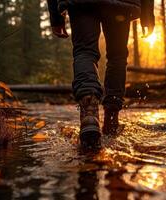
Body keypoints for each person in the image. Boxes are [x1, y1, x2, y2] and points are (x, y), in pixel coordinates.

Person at [47, 0, 155, 146]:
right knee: (117, 56)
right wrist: (147, 15)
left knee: (84, 51)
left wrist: (56, 16)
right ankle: (111, 120)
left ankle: (89, 112)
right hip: (120, 4)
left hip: (80, 4)